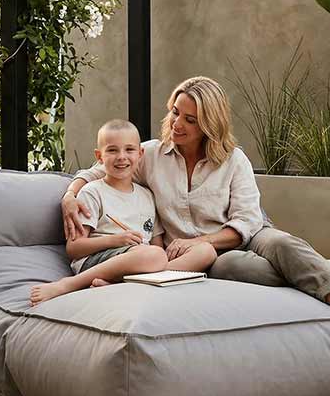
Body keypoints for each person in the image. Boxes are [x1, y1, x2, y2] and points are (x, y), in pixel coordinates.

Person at [62, 77, 330, 370]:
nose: (177, 124)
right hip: (211, 259)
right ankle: (327, 269)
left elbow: (246, 220)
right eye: (175, 112)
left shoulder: (233, 159)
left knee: (284, 246)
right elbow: (99, 170)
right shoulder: (150, 154)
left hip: (245, 233)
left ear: (210, 123)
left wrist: (203, 241)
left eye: (191, 119)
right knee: (246, 271)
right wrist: (71, 195)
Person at [30, 118, 216, 305]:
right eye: (112, 150)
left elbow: (156, 244)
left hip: (143, 259)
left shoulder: (147, 196)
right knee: (154, 256)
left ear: (140, 154)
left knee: (206, 251)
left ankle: (122, 284)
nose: (121, 157)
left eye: (129, 150)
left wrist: (156, 257)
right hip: (97, 262)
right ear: (99, 156)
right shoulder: (92, 192)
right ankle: (70, 285)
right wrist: (116, 240)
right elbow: (73, 248)